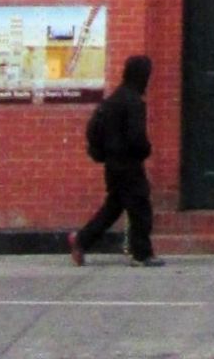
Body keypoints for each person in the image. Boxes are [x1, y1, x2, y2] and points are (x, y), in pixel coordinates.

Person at [68, 53, 162, 267]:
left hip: (112, 163)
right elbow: (137, 137)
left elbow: (95, 129)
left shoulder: (113, 99)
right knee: (140, 208)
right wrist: (145, 151)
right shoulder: (134, 102)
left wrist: (101, 153)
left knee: (114, 207)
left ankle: (82, 240)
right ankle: (141, 254)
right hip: (129, 164)